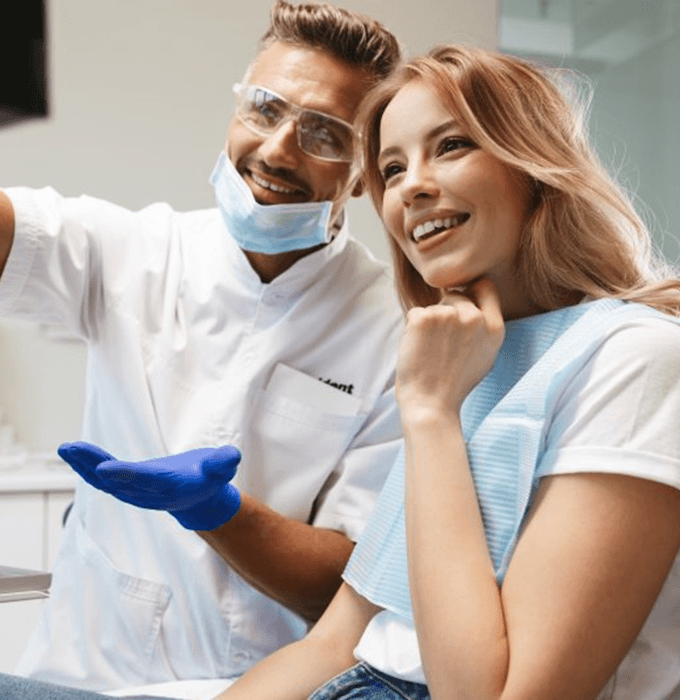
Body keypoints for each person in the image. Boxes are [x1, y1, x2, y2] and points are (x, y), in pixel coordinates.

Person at [207, 44, 680, 700]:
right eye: (392, 169)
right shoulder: (470, 357)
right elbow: (335, 642)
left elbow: (488, 694)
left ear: (534, 165)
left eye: (452, 146)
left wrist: (429, 416)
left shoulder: (633, 358)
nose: (412, 187)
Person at [0, 0, 404, 694]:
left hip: (252, 684)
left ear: (364, 173)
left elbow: (343, 592)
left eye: (324, 134)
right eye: (265, 109)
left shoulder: (392, 329)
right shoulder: (133, 251)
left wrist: (219, 511)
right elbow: (19, 231)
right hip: (77, 671)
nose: (279, 148)